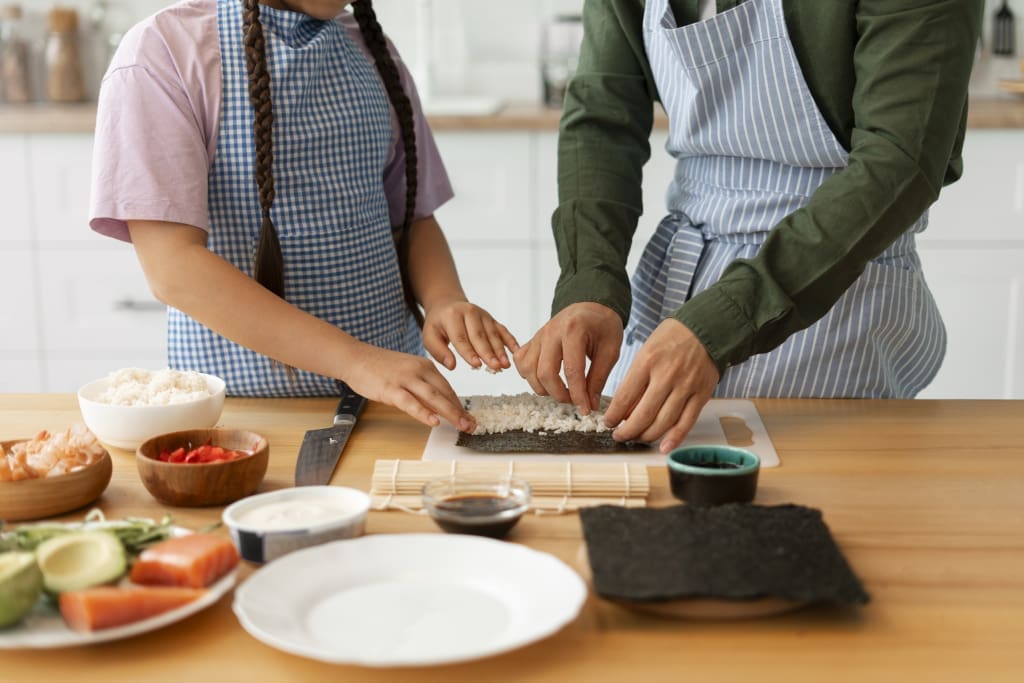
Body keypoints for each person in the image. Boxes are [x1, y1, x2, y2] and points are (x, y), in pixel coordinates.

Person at [515, 0, 982, 453]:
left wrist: (722, 323)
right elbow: (601, 117)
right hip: (677, 281)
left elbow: (900, 162)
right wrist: (589, 287)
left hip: (835, 287)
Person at [89, 0, 518, 432]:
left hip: (390, 405)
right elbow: (173, 268)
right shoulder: (163, 52)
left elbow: (412, 218)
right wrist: (356, 361)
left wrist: (444, 299)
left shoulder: (371, 50)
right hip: (244, 416)